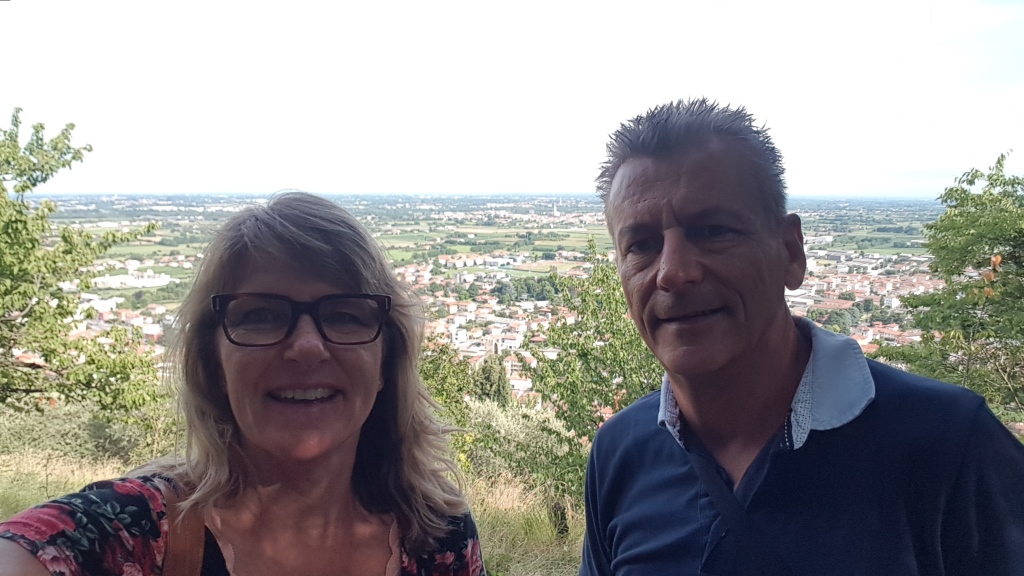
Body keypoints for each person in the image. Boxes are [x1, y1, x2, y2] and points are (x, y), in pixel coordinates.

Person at [580, 98, 1024, 575]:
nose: (673, 272)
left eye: (712, 231)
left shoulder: (950, 443)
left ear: (791, 253)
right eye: (642, 245)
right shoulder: (619, 453)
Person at [0, 192, 486, 576]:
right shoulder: (130, 533)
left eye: (344, 315)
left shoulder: (438, 537)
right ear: (214, 361)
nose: (307, 347)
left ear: (384, 363)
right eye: (262, 315)